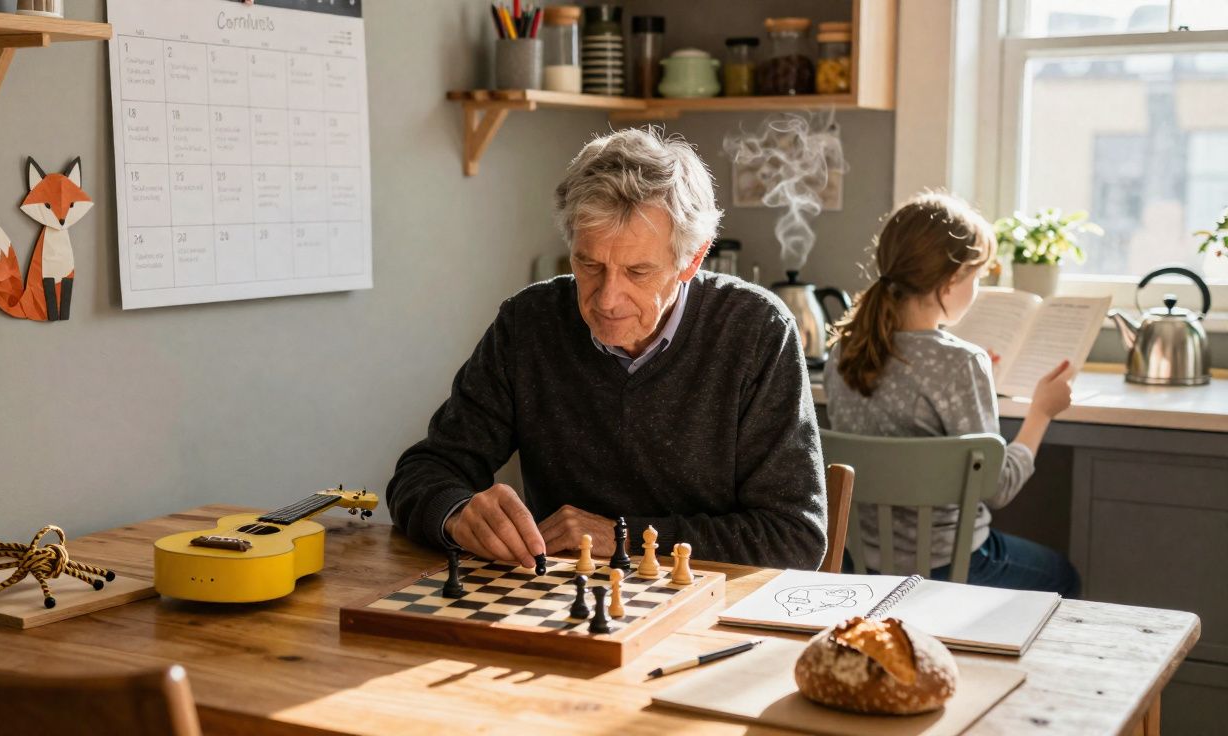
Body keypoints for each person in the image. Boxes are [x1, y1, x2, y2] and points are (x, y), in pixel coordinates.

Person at [386, 128, 827, 569]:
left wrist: (622, 536)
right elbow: (424, 471)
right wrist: (458, 514)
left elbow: (793, 537)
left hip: (707, 614)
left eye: (637, 271)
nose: (606, 298)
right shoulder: (528, 324)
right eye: (589, 264)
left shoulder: (758, 332)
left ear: (691, 260)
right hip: (561, 609)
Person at [825, 191, 1080, 597]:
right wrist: (1041, 413)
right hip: (949, 568)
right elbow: (999, 487)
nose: (977, 289)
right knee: (1062, 575)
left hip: (864, 567)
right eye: (976, 277)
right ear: (949, 283)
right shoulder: (961, 363)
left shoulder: (843, 351)